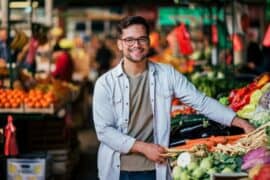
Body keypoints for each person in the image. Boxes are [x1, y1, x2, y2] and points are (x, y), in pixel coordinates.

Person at [92, 16, 255, 180]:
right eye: (129, 40)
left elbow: (201, 102)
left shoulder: (167, 74)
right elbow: (104, 131)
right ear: (120, 44)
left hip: (157, 168)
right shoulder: (105, 84)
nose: (136, 45)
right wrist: (143, 148)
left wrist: (240, 122)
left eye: (142, 39)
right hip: (119, 170)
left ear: (148, 41)